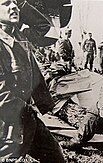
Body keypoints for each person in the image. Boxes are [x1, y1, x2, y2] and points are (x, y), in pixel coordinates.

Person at [0, 0, 65, 162]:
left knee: (55, 157)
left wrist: (21, 4)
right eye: (6, 3)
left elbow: (49, 31)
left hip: (26, 117)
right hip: (5, 122)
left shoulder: (19, 36)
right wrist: (26, 112)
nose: (13, 7)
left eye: (15, 3)